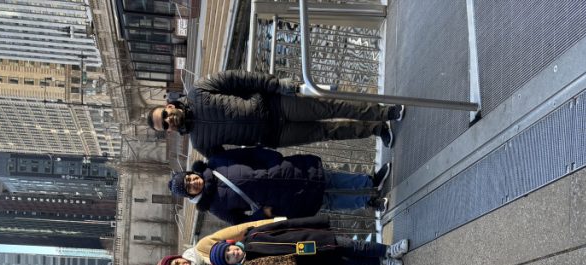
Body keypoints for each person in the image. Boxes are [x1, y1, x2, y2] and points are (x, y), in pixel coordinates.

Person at [146, 70, 405, 155]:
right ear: (169, 132)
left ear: (169, 106)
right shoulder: (199, 144)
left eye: (165, 115)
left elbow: (242, 79)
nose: (169, 120)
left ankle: (383, 113)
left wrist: (276, 85)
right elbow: (236, 161)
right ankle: (376, 129)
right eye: (165, 125)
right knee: (328, 132)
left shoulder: (199, 91)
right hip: (275, 136)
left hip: (276, 104)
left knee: (331, 106)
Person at [169, 147, 392, 224]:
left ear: (191, 173)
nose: (193, 183)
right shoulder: (215, 207)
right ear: (190, 195)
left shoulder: (216, 162)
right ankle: (369, 201)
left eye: (189, 178)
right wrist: (261, 215)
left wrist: (273, 159)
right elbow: (241, 222)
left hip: (282, 171)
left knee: (328, 178)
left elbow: (248, 154)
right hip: (281, 202)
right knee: (327, 201)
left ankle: (370, 181)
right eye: (189, 187)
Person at [195, 214, 409, 265]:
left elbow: (287, 225)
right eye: (229, 257)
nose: (233, 253)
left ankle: (388, 250)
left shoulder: (254, 235)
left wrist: (314, 223)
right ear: (231, 264)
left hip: (312, 241)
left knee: (354, 246)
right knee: (350, 263)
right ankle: (384, 262)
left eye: (229, 250)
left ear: (231, 244)